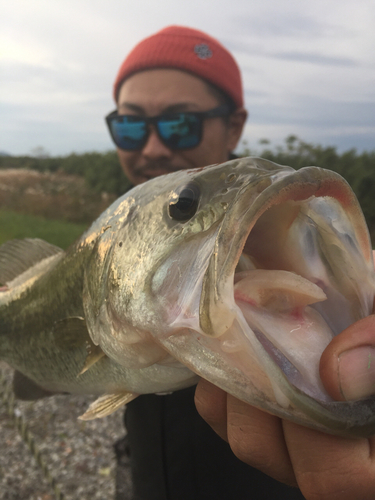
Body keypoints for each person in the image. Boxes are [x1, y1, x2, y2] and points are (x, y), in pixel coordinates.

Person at [106, 26, 375, 500]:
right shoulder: (117, 230)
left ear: (233, 125)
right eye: (130, 126)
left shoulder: (277, 223)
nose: (152, 147)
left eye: (179, 123)